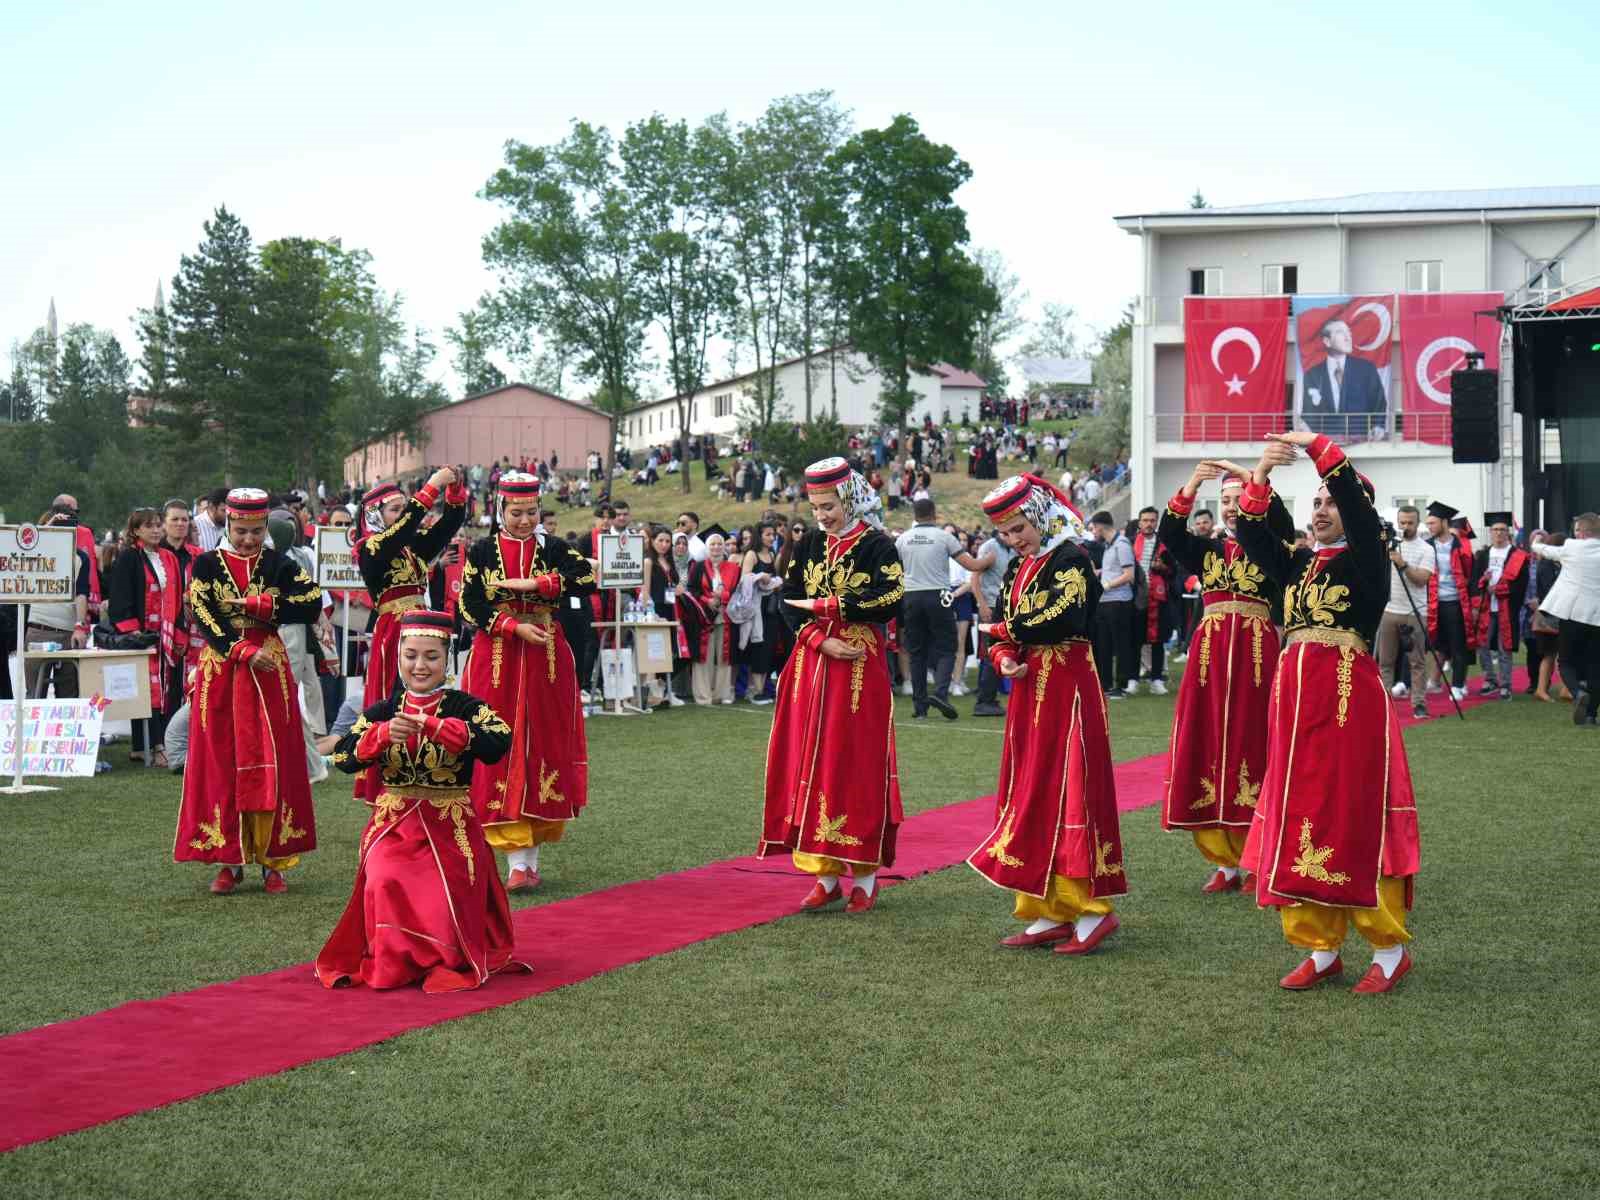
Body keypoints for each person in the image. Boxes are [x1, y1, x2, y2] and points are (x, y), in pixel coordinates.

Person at [1234, 432, 1421, 994]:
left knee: (1351, 812)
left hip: (1347, 698)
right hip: (1295, 700)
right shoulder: (1297, 563)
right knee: (1298, 809)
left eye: (1331, 502)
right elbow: (1253, 537)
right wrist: (1261, 473)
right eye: (1315, 501)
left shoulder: (1367, 559)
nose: (1320, 509)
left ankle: (1388, 949)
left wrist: (1319, 448)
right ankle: (1319, 947)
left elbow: (1360, 516)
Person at [315, 609, 520, 995]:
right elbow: (343, 757)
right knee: (382, 877)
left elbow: (499, 740)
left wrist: (442, 727)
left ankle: (438, 958)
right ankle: (394, 961)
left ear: (447, 659)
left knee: (446, 892)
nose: (420, 666)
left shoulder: (465, 706)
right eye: (411, 656)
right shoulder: (382, 711)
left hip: (451, 823)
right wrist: (380, 735)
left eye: (431, 657)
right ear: (398, 658)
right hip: (393, 824)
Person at [967, 474, 1127, 952]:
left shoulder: (1072, 557)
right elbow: (1000, 633)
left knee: (1070, 789)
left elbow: (1065, 617)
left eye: (1020, 528)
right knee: (1032, 789)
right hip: (1029, 691)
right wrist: (1003, 657)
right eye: (1006, 534)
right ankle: (1049, 908)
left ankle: (1093, 911)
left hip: (1069, 689)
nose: (1015, 540)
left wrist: (1006, 629)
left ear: (1038, 515)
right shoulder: (1018, 569)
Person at [761, 457, 905, 913]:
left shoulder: (879, 545)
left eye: (829, 505)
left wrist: (833, 608)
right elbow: (786, 602)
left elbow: (891, 597)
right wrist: (817, 639)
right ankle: (824, 875)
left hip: (860, 667)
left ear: (850, 498)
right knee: (811, 761)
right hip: (813, 665)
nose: (821, 514)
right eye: (816, 505)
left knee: (854, 763)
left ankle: (863, 877)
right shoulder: (808, 547)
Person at [173, 488, 324, 896]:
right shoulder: (205, 565)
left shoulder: (279, 564)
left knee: (276, 758)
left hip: (269, 671)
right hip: (223, 670)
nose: (248, 539)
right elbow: (202, 612)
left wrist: (261, 607)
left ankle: (273, 862)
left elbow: (311, 603)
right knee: (221, 760)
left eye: (256, 531)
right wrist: (240, 649)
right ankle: (229, 861)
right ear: (227, 525)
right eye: (240, 530)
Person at [460, 472, 597, 891]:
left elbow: (588, 579)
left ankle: (526, 861)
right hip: (497, 656)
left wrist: (537, 584)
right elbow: (469, 602)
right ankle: (508, 859)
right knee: (497, 743)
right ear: (500, 510)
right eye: (516, 512)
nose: (523, 520)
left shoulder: (554, 548)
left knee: (542, 747)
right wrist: (509, 625)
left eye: (531, 512)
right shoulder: (482, 551)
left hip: (546, 658)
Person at [1158, 462, 1291, 893]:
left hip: (1256, 654)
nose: (1233, 509)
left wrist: (1255, 477)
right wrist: (1193, 483)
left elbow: (1282, 520)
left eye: (1240, 501)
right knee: (1208, 739)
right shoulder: (1207, 550)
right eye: (1227, 502)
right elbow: (1170, 537)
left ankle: (1257, 857)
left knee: (1255, 743)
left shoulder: (1273, 547)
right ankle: (1224, 861)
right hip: (1210, 657)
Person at [353, 469, 467, 798]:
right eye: (394, 509)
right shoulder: (371, 548)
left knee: (427, 699)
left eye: (404, 507)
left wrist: (455, 491)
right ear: (374, 515)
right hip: (395, 634)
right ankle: (390, 777)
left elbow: (447, 525)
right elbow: (407, 527)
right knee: (397, 699)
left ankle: (425, 767)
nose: (402, 514)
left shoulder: (408, 547)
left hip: (421, 629)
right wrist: (431, 487)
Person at [106, 508, 183, 765]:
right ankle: (148, 745)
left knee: (166, 690)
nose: (156, 530)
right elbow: (120, 596)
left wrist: (178, 631)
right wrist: (132, 630)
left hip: (166, 635)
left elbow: (177, 598)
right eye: (148, 526)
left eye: (158, 525)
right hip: (142, 636)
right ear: (136, 530)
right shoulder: (129, 557)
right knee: (146, 691)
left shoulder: (169, 558)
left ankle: (156, 744)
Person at [895, 498, 983, 720]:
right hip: (940, 594)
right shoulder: (944, 537)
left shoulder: (903, 540)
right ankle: (941, 694)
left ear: (914, 515)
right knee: (947, 646)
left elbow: (894, 570)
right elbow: (970, 565)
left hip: (912, 595)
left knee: (917, 652)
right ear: (934, 514)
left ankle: (920, 707)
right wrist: (988, 561)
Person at [1534, 513, 1600, 727]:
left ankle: (1577, 691)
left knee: (1566, 661)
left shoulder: (1571, 547)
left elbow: (1544, 550)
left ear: (1581, 532)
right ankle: (1590, 716)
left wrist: (1536, 541)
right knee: (1595, 666)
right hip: (1597, 618)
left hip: (1572, 615)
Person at [23, 506, 93, 699]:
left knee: (68, 695)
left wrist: (79, 626)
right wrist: (48, 529)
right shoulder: (39, 551)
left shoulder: (80, 557)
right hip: (39, 630)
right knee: (35, 695)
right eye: (61, 524)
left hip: (67, 632)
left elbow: (81, 593)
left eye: (71, 526)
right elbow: (25, 546)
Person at [1377, 504, 1435, 719]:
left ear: (1418, 523)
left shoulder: (1426, 549)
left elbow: (1422, 580)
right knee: (1385, 662)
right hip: (1389, 610)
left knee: (1417, 661)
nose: (1406, 527)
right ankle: (1383, 704)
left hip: (1414, 611)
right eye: (1402, 522)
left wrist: (1403, 564)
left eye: (1410, 523)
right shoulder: (1388, 546)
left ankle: (1419, 703)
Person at [1470, 513, 1530, 700]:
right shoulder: (1483, 555)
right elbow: (1473, 580)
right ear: (1490, 532)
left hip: (1506, 608)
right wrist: (1483, 585)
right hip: (1486, 608)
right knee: (1483, 646)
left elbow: (1521, 583)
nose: (1499, 533)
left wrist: (1502, 589)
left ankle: (1506, 685)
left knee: (1505, 649)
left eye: (1502, 530)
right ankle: (1490, 680)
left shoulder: (1517, 556)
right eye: (1495, 530)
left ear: (1508, 532)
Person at [1300, 319, 1386, 436]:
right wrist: (1312, 442)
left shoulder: (1366, 369)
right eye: (1340, 332)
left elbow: (1379, 401)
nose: (1348, 337)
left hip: (1361, 440)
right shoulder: (1312, 375)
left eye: (1349, 332)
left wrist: (1378, 425)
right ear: (1327, 341)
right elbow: (1309, 411)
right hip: (1326, 442)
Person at [1423, 500, 1474, 701]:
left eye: (1433, 523)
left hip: (1456, 602)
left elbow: (1472, 575)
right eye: (1428, 524)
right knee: (1436, 645)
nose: (1429, 527)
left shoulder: (1462, 546)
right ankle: (1431, 681)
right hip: (1433, 604)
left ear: (1444, 522)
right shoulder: (1426, 546)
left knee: (1458, 645)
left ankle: (1458, 685)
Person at [688, 531, 740, 704]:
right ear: (707, 547)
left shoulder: (733, 568)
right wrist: (707, 600)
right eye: (712, 544)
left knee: (724, 657)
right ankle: (703, 695)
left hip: (725, 617)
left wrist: (722, 597)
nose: (716, 547)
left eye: (719, 544)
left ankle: (722, 693)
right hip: (704, 617)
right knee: (704, 657)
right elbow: (692, 590)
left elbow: (735, 591)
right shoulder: (698, 567)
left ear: (724, 546)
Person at [1088, 511, 1137, 697]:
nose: (1093, 532)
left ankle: (1121, 686)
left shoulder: (1122, 545)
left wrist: (1106, 585)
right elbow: (1113, 570)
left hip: (1119, 602)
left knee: (1121, 644)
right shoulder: (1109, 546)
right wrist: (1099, 573)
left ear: (1100, 527)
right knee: (1103, 645)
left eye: (1093, 528)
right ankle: (1105, 684)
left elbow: (1128, 575)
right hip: (1105, 602)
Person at [1132, 505, 1177, 695]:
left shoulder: (1165, 543)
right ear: (1140, 522)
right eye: (1145, 520)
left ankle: (1156, 679)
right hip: (1135, 599)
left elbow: (1174, 571)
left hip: (1159, 599)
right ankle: (1132, 679)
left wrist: (1163, 568)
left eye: (1152, 520)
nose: (1149, 524)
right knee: (1134, 640)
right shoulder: (1130, 542)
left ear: (1156, 522)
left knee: (1158, 641)